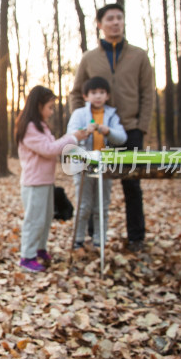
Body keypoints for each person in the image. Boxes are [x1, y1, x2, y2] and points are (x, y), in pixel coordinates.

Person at [70, 3, 155, 252]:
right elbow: (76, 92)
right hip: (95, 133)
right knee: (92, 182)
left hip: (128, 130)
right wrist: (83, 120)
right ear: (100, 24)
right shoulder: (89, 58)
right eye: (110, 19)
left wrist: (141, 127)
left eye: (119, 18)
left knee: (132, 184)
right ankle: (92, 236)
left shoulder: (138, 55)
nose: (115, 22)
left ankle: (136, 237)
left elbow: (148, 94)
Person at [16, 85, 88, 273]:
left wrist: (72, 138)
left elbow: (52, 145)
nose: (51, 111)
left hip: (45, 180)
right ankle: (27, 256)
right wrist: (72, 137)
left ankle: (40, 249)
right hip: (34, 182)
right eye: (49, 107)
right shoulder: (30, 127)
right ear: (38, 105)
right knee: (35, 219)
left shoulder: (41, 126)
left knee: (46, 218)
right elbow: (49, 150)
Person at [67, 76, 127, 249]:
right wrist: (85, 132)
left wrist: (108, 132)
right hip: (83, 165)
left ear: (107, 95)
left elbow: (121, 138)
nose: (98, 96)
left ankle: (99, 240)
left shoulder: (112, 115)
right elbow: (70, 137)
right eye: (94, 93)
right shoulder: (79, 114)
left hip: (105, 166)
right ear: (86, 96)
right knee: (84, 205)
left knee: (101, 206)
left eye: (102, 92)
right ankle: (78, 239)